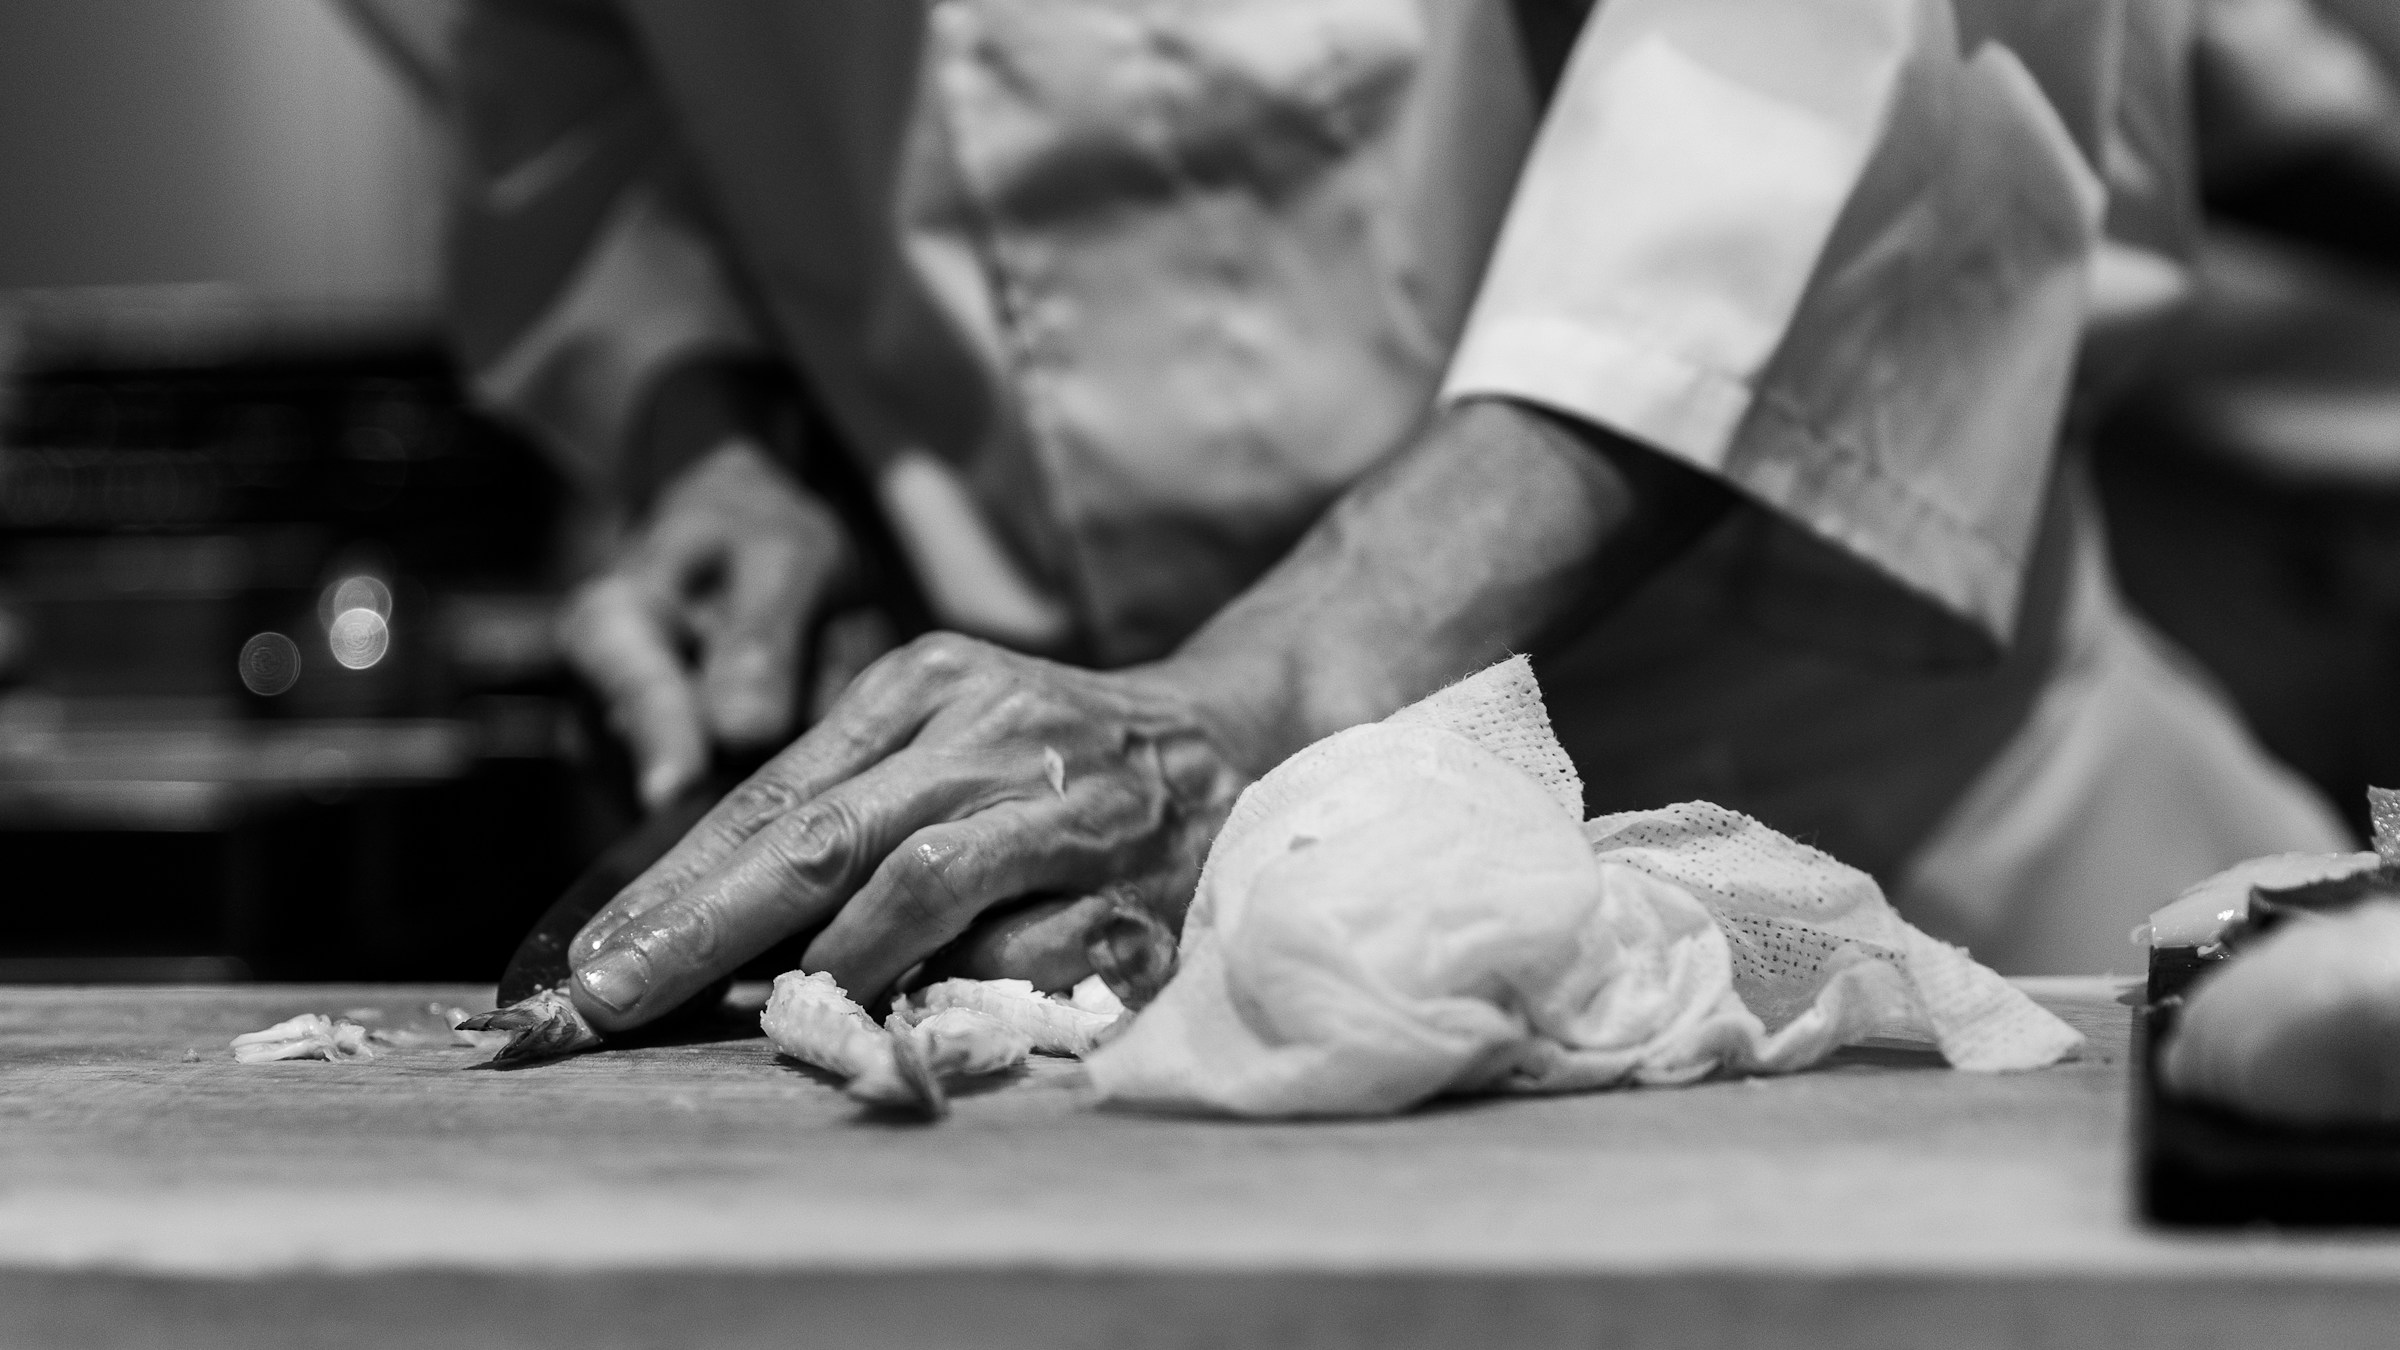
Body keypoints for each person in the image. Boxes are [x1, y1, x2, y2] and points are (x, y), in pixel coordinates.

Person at [399, 0, 2349, 1027]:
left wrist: (1275, 685)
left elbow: (1847, 56)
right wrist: (708, 441)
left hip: (1883, 863)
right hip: (1095, 952)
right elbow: (568, 70)